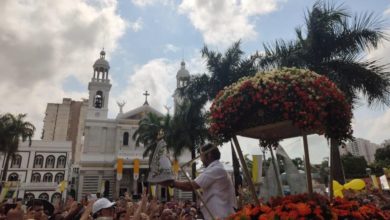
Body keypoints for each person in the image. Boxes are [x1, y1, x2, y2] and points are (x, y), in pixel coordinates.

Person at [163, 143, 236, 220]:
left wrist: (171, 183)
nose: (200, 159)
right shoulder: (216, 168)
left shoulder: (216, 169)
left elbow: (191, 186)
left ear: (209, 154)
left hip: (221, 216)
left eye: (201, 155)